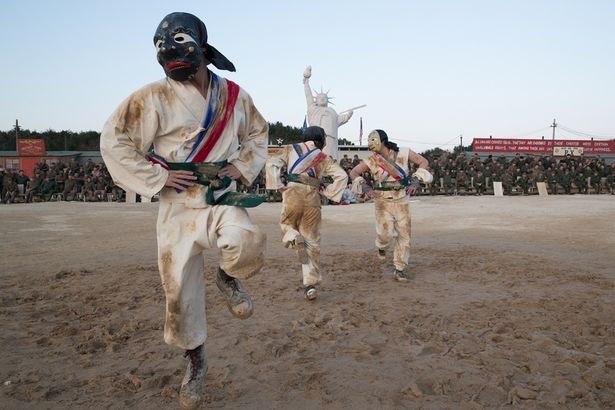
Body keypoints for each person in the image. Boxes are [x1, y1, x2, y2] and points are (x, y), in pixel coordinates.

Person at [100, 12, 268, 410]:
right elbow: (114, 139)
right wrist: (156, 179)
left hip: (219, 196)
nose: (166, 51)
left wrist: (241, 166)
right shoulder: (151, 97)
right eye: (160, 47)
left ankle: (228, 278)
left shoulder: (234, 96)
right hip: (177, 206)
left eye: (176, 41)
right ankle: (195, 363)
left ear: (201, 47)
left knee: (246, 240)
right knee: (179, 294)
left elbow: (258, 132)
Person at [265, 126, 347, 300]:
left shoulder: (291, 148)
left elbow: (272, 162)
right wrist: (329, 192)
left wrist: (278, 184)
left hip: (292, 192)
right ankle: (310, 286)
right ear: (321, 140)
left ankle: (293, 238)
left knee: (287, 225)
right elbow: (342, 176)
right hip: (312, 197)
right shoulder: (323, 158)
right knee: (312, 241)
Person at [349, 129, 431, 282]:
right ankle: (381, 245)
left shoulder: (403, 152)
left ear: (382, 141)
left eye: (373, 140)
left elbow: (423, 161)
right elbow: (353, 172)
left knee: (404, 235)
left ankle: (400, 268)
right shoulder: (372, 160)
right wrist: (365, 186)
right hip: (382, 200)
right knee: (384, 234)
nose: (370, 144)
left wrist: (416, 180)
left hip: (401, 198)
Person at [303, 66, 353, 161]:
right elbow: (308, 95)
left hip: (330, 140)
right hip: (315, 139)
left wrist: (348, 115)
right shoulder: (312, 109)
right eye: (319, 97)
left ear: (327, 100)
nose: (322, 98)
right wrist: (306, 81)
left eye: (324, 97)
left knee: (331, 161)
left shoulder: (332, 112)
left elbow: (338, 120)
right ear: (316, 100)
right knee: (316, 160)